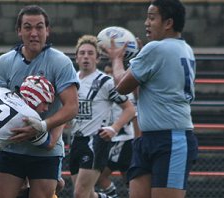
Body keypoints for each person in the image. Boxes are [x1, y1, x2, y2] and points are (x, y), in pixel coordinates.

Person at [102, 0, 198, 197]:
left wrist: (117, 59)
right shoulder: (185, 48)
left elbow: (121, 86)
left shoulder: (156, 48)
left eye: (152, 17)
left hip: (169, 138)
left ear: (168, 23)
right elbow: (140, 92)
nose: (146, 22)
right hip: (151, 137)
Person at [0, 5, 79, 198]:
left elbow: (71, 107)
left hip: (46, 152)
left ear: (48, 30)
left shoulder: (60, 62)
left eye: (39, 27)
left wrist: (42, 126)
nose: (34, 33)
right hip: (10, 147)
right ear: (19, 31)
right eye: (28, 27)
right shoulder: (5, 62)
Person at [69, 35, 136, 198]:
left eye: (91, 53)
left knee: (80, 194)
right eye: (82, 53)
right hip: (75, 141)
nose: (86, 56)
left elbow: (129, 109)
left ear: (97, 58)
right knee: (88, 193)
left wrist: (114, 128)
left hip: (95, 142)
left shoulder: (105, 81)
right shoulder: (71, 80)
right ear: (76, 57)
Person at [97, 64, 137, 198]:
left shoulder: (125, 92)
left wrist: (137, 138)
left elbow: (134, 114)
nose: (108, 75)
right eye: (106, 72)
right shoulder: (105, 89)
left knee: (100, 176)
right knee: (130, 180)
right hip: (113, 139)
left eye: (111, 72)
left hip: (122, 140)